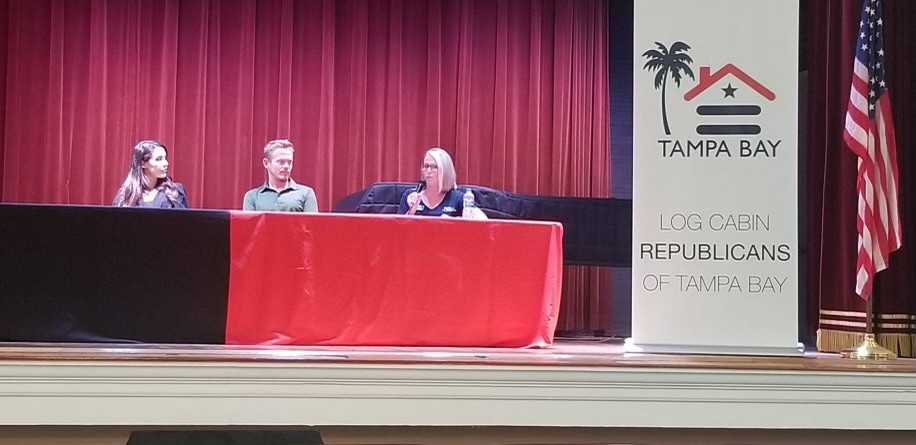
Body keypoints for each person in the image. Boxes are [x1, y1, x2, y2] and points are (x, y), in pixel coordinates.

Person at [398, 147, 487, 219]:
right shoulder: (410, 196)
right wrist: (411, 213)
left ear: (445, 171)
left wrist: (453, 221)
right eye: (426, 166)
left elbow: (483, 221)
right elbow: (398, 229)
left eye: (434, 167)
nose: (428, 171)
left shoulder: (457, 198)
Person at [243, 139, 318, 212]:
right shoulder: (252, 197)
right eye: (281, 162)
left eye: (289, 162)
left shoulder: (306, 193)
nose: (286, 166)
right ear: (266, 163)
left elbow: (312, 221)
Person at [113, 140, 188, 208]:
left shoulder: (175, 192)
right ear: (143, 164)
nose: (166, 163)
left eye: (165, 158)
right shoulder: (125, 196)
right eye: (159, 159)